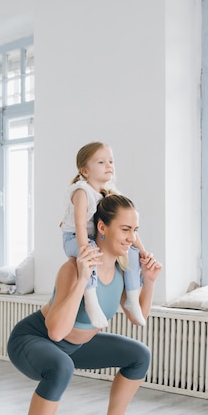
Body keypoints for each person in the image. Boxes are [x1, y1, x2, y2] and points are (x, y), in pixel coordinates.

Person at [7, 194, 162, 415]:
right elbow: (55, 332)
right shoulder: (71, 268)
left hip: (76, 346)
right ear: (102, 228)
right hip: (34, 339)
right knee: (61, 366)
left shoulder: (123, 269)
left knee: (140, 355)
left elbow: (136, 315)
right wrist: (81, 279)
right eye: (125, 229)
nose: (132, 238)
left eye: (135, 230)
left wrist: (150, 281)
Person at [60, 141, 148, 329]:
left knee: (131, 254)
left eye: (111, 161)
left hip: (89, 239)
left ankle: (132, 299)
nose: (108, 165)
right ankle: (91, 301)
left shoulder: (107, 193)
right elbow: (80, 224)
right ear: (84, 170)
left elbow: (130, 225)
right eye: (101, 162)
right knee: (91, 251)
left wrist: (142, 251)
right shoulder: (82, 191)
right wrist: (85, 248)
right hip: (74, 238)